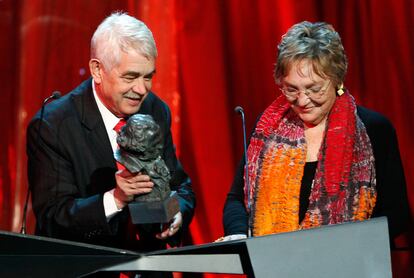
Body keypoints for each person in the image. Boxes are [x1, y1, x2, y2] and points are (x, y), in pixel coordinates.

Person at [27, 12, 195, 276]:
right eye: (130, 77)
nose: (142, 89)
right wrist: (115, 199)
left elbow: (179, 186)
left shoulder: (155, 110)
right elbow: (53, 219)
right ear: (97, 70)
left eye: (148, 76)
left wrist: (174, 215)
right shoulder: (53, 125)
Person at [222, 21, 409, 245]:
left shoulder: (375, 129)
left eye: (314, 89)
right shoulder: (267, 130)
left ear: (337, 79)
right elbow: (236, 200)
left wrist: (348, 245)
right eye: (291, 89)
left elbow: (397, 214)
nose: (302, 100)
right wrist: (240, 235)